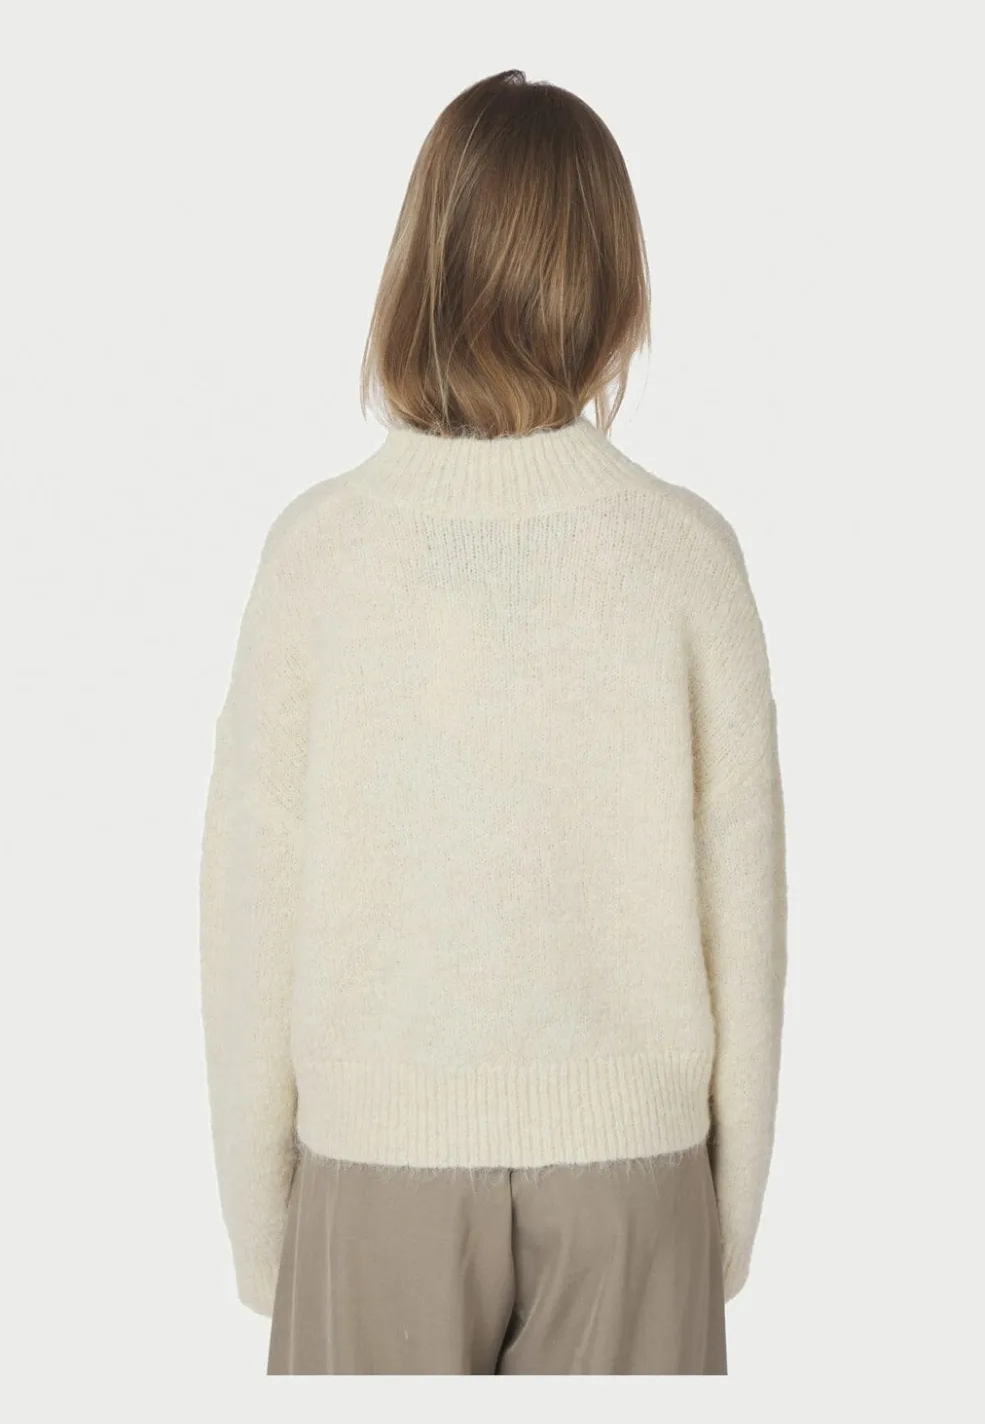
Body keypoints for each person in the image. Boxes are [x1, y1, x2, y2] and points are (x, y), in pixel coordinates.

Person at [199, 68, 787, 1376]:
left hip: (371, 1168)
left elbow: (251, 914)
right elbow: (744, 920)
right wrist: (720, 1229)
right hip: (636, 1177)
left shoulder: (317, 556)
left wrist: (266, 1237)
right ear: (616, 285)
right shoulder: (687, 557)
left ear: (417, 270)